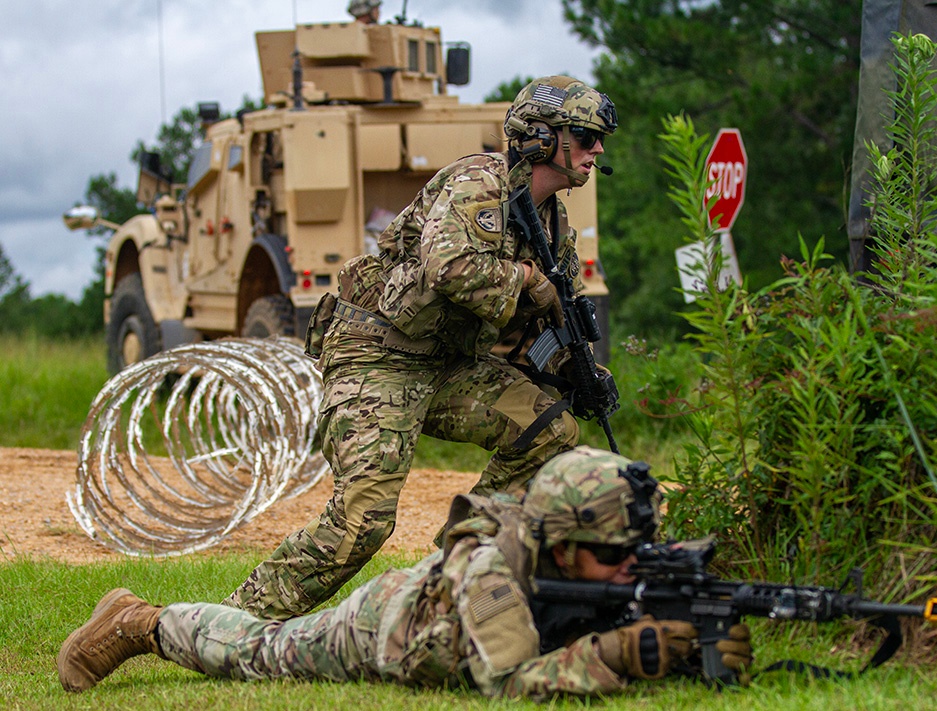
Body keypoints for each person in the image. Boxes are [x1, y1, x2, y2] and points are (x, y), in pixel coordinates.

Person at [221, 76, 620, 620]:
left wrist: (581, 370)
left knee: (551, 431)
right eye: (586, 135)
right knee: (364, 522)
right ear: (542, 136)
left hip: (448, 365)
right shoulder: (478, 183)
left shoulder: (554, 223)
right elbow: (449, 268)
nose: (598, 149)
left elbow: (547, 318)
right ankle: (237, 620)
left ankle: (449, 573)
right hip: (378, 355)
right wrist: (527, 277)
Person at [58, 447, 753, 699]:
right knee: (260, 652)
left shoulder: (583, 557)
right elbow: (509, 680)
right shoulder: (492, 573)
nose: (628, 564)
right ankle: (139, 620)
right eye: (612, 555)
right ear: (564, 546)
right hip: (385, 626)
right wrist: (624, 653)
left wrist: (693, 640)